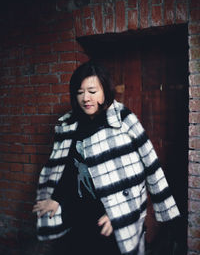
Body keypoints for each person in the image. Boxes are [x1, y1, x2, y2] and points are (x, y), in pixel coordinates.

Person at [33, 60, 181, 255]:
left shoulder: (123, 121)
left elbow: (144, 170)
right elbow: (67, 169)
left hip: (111, 218)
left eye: (92, 91)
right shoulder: (69, 125)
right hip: (78, 215)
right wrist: (56, 199)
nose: (86, 98)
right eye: (80, 92)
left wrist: (119, 214)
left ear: (105, 91)